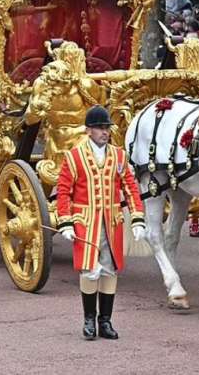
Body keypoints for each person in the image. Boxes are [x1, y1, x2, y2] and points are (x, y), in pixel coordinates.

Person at [56, 105, 147, 340]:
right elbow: (64, 192)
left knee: (109, 270)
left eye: (106, 128)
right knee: (88, 271)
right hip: (85, 223)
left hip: (112, 222)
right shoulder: (74, 156)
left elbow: (130, 188)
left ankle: (105, 321)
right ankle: (88, 320)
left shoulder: (118, 155)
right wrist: (65, 222)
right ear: (88, 131)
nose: (104, 132)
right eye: (99, 128)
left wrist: (137, 219)